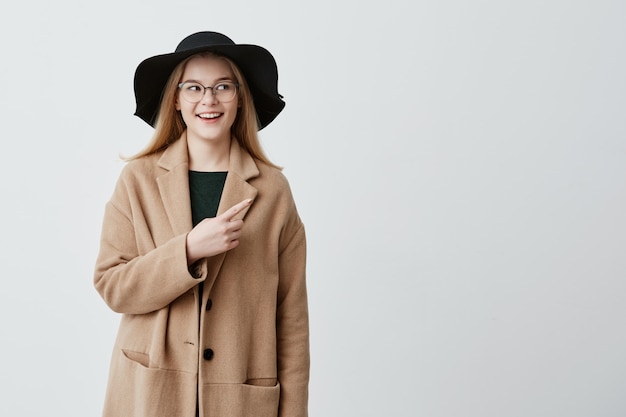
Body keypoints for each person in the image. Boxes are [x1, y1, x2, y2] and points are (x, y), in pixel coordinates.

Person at [93, 31, 309, 417]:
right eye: (193, 87)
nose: (208, 100)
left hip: (240, 400)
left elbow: (290, 319)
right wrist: (188, 250)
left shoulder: (273, 191)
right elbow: (113, 286)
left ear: (240, 97)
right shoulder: (138, 180)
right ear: (175, 99)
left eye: (222, 86)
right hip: (150, 396)